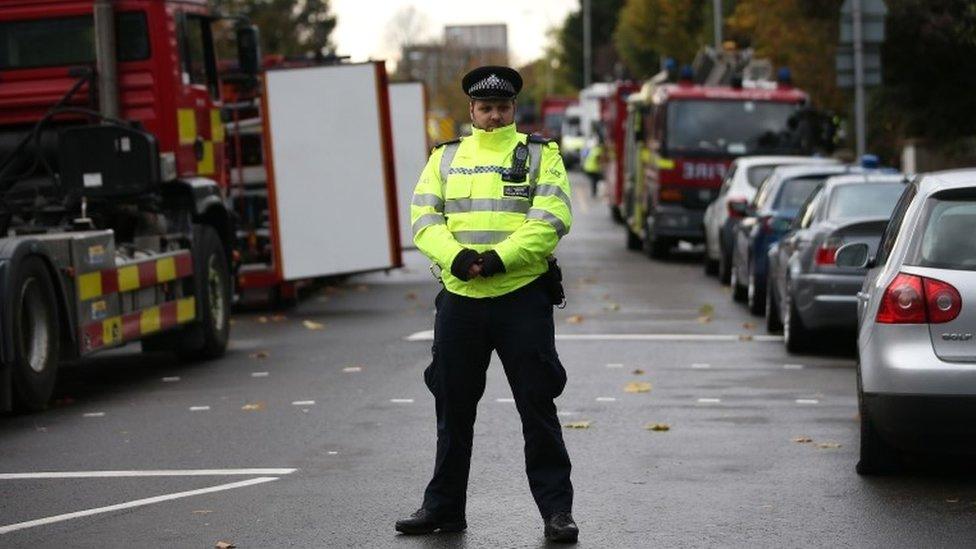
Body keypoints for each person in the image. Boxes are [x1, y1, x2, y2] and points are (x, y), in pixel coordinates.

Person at [396, 65, 578, 543]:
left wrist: (500, 258)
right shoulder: (445, 157)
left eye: (502, 107)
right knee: (452, 410)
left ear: (513, 109)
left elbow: (552, 215)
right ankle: (443, 509)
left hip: (521, 298)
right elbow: (423, 216)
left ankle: (557, 512)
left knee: (537, 408)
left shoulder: (542, 155)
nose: (494, 116)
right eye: (485, 108)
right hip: (460, 301)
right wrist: (456, 258)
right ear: (471, 111)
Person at [582, 125, 605, 197]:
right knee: (596, 180)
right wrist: (601, 168)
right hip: (593, 168)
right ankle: (594, 193)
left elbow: (584, 155)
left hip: (588, 168)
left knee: (594, 181)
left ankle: (594, 193)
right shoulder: (598, 150)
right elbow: (599, 161)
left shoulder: (593, 149)